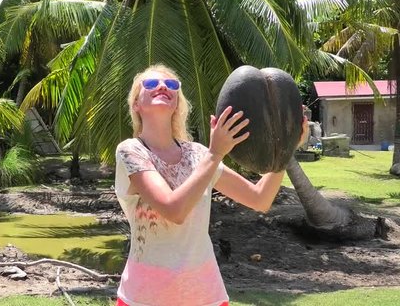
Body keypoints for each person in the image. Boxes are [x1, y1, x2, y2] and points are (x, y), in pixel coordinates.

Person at [114, 64, 308, 306]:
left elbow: (260, 199)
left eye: (172, 85)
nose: (163, 86)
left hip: (205, 296)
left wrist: (286, 149)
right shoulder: (131, 151)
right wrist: (216, 153)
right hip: (144, 298)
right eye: (151, 84)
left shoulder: (198, 154)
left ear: (177, 103)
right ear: (136, 104)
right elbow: (174, 210)